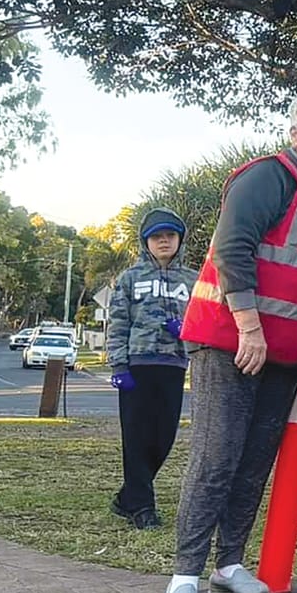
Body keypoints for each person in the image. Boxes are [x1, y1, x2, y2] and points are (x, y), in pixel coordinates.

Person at [167, 87, 297, 593]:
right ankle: (184, 573)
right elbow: (233, 248)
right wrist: (249, 326)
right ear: (296, 131)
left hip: (287, 354)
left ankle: (228, 562)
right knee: (217, 455)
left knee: (254, 460)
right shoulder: (267, 176)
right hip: (232, 343)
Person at [105, 207, 193, 531]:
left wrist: (185, 330)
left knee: (163, 439)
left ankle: (127, 497)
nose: (164, 241)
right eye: (157, 237)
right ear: (146, 242)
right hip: (137, 365)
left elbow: (204, 321)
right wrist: (119, 364)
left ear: (179, 239)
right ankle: (142, 508)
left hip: (173, 364)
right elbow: (117, 323)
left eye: (170, 235)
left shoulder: (193, 280)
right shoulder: (130, 279)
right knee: (137, 438)